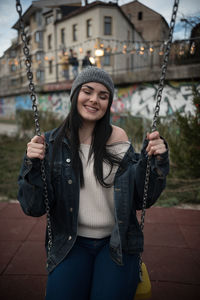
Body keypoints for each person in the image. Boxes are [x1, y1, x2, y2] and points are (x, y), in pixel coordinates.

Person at [18, 67, 169, 300]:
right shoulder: (47, 145)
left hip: (116, 243)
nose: (94, 100)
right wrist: (32, 164)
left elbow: (142, 198)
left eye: (103, 95)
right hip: (70, 242)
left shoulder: (119, 140)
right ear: (74, 94)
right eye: (87, 91)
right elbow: (34, 207)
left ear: (108, 103)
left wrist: (157, 161)